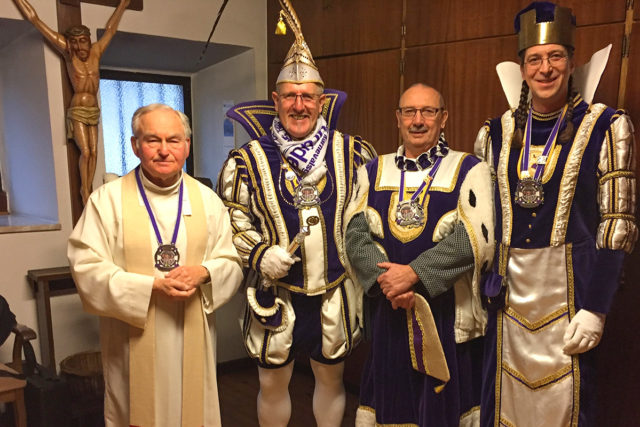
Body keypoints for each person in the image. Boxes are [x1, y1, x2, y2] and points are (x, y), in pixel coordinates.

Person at [474, 3, 637, 426]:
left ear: (570, 60)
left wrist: (597, 306)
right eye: (535, 59)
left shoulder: (608, 126)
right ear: (523, 66)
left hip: (573, 297)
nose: (545, 69)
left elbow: (618, 223)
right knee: (503, 402)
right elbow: (479, 225)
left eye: (555, 56)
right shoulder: (495, 133)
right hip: (506, 299)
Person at [217, 1, 376, 425]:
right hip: (276, 293)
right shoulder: (245, 160)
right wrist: (258, 253)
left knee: (331, 381)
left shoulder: (354, 153)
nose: (299, 105)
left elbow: (370, 219)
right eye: (290, 96)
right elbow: (231, 219)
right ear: (276, 100)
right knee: (272, 385)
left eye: (308, 97)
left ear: (321, 102)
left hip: (335, 290)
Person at [68, 104, 243, 427]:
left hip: (192, 333)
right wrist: (149, 285)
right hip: (131, 338)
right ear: (136, 145)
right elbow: (85, 266)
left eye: (174, 140)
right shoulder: (106, 201)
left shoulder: (207, 200)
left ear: (187, 145)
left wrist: (204, 273)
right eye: (152, 140)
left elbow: (231, 260)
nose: (164, 150)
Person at [344, 83, 493, 426]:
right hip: (390, 312)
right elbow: (354, 234)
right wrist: (387, 281)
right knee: (390, 403)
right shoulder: (372, 171)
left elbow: (475, 239)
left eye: (428, 112)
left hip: (444, 315)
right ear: (397, 119)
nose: (418, 120)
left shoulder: (469, 169)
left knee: (440, 407)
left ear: (444, 118)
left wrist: (413, 274)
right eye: (409, 111)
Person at [12, 0, 129, 205]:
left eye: (83, 41)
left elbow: (111, 28)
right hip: (77, 110)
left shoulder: (96, 52)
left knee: (94, 152)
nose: (79, 46)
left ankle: (89, 186)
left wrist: (123, 4)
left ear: (88, 40)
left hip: (94, 110)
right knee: (85, 151)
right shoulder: (68, 53)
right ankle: (85, 190)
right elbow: (35, 20)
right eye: (75, 42)